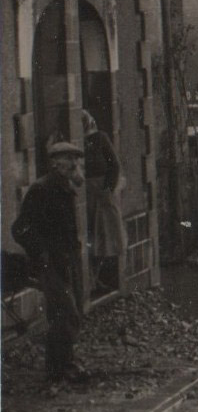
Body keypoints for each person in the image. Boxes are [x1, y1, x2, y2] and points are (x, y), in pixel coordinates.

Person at [11, 141, 87, 384]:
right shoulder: (41, 190)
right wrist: (41, 253)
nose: (74, 163)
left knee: (64, 312)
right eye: (67, 158)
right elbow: (20, 228)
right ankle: (61, 367)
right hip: (49, 263)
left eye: (75, 158)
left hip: (66, 260)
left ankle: (61, 365)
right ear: (54, 163)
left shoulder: (65, 188)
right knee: (66, 312)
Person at [81, 111, 125, 295]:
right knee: (88, 237)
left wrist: (107, 189)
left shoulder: (100, 138)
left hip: (101, 194)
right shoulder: (75, 142)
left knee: (102, 238)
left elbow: (114, 165)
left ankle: (95, 279)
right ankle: (91, 281)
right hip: (83, 194)